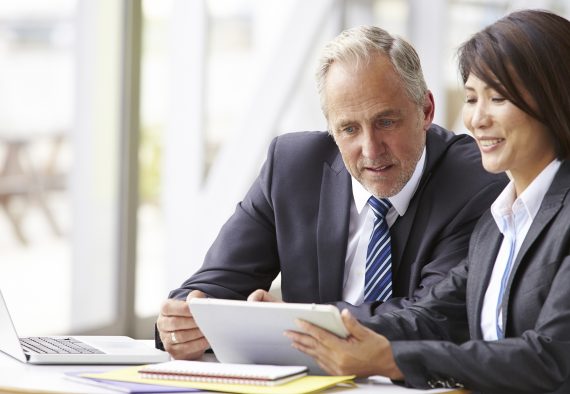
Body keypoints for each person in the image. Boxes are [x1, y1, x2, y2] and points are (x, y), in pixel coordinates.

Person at [155, 25, 507, 360]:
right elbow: (214, 288)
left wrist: (302, 324)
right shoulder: (292, 167)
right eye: (349, 129)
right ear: (331, 129)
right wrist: (181, 323)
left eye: (386, 122)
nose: (371, 149)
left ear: (426, 110)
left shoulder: (476, 180)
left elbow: (434, 318)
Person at [286, 9, 570, 394]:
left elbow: (552, 358)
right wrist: (293, 326)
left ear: (556, 99)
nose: (477, 119)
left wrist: (391, 359)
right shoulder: (501, 222)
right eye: (471, 98)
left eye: (498, 98)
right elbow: (431, 316)